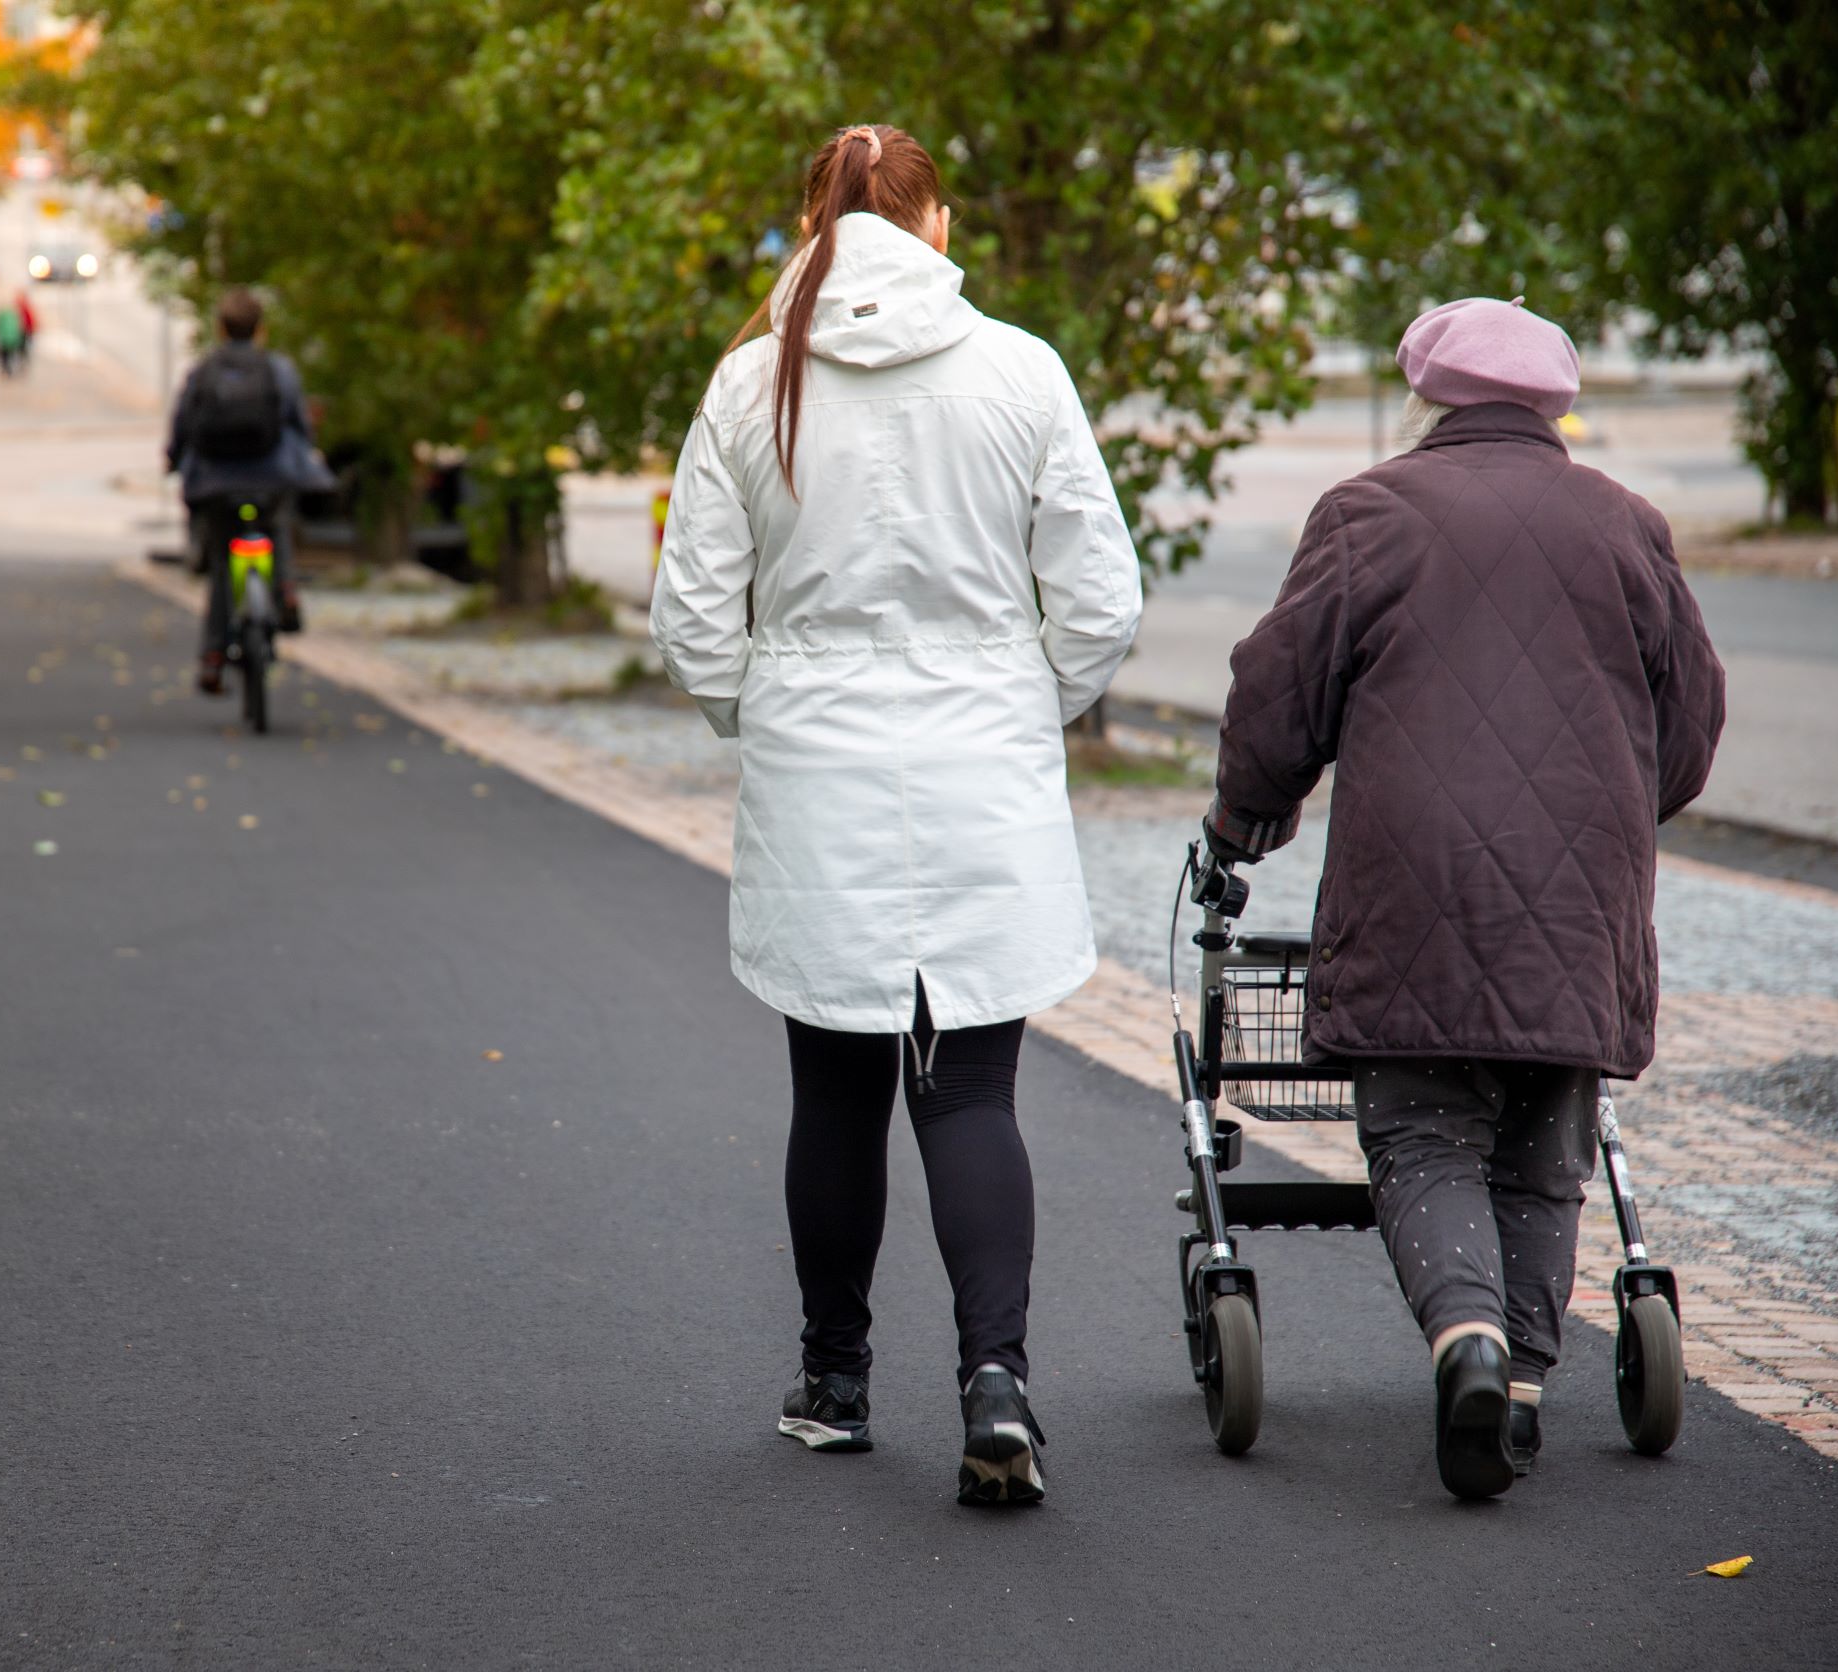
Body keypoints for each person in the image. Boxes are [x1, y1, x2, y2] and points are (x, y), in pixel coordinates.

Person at [651, 124, 1141, 1507]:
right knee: (972, 1087)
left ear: (809, 227)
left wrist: (770, 719)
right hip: (983, 760)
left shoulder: (755, 385)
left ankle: (838, 1382)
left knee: (838, 1089)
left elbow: (694, 618)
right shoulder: (1021, 369)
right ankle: (997, 1379)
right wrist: (1023, 710)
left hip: (820, 772)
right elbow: (1099, 602)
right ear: (939, 226)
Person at [1202, 297, 1725, 1501]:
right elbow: (1690, 733)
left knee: (1426, 1129)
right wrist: (1602, 816)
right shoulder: (1630, 528)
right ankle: (1523, 1394)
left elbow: (1275, 701)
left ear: (1429, 399)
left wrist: (1248, 817)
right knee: (1546, 1141)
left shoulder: (1369, 512)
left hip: (1412, 888)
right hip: (1581, 899)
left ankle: (1469, 1344)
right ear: (1553, 404)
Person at [164, 286, 326, 693]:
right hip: (269, 477)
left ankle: (213, 655)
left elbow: (183, 425)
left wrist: (173, 461)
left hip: (217, 483)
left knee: (223, 562)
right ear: (261, 330)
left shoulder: (204, 371)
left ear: (220, 329)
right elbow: (297, 425)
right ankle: (286, 589)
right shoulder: (278, 370)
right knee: (276, 524)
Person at [0, 302, 24, 378]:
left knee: (4, 356)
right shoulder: (14, 316)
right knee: (10, 356)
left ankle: (6, 371)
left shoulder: (1, 316)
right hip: (12, 339)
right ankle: (9, 371)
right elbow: (18, 327)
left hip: (4, 339)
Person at [15, 291, 38, 373]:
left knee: (23, 348)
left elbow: (30, 320)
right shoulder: (20, 308)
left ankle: (23, 362)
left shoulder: (24, 308)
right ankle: (22, 362)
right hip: (23, 331)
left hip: (25, 331)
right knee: (22, 348)